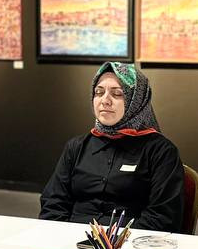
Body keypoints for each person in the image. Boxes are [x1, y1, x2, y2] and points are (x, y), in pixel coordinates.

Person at [39, 62, 183, 232]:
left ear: (136, 101)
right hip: (72, 238)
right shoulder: (76, 147)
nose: (105, 101)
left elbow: (162, 217)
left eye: (117, 94)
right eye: (99, 92)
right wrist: (60, 235)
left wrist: (116, 242)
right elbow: (53, 203)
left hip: (129, 243)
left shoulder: (161, 152)